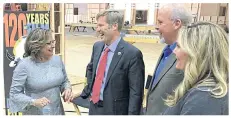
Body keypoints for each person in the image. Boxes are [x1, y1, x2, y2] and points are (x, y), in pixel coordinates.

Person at [75, 10, 145, 115]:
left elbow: (136, 93)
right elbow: (91, 70)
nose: (97, 29)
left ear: (114, 26)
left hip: (116, 111)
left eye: (100, 25)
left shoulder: (132, 54)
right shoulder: (97, 47)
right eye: (97, 26)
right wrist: (86, 92)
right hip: (94, 108)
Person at [162, 22, 229, 115]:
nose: (174, 51)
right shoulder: (204, 90)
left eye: (179, 46)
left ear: (196, 53)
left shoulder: (204, 97)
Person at [9, 28, 74, 115]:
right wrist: (34, 101)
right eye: (48, 43)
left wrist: (67, 89)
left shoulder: (57, 60)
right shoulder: (24, 66)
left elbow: (65, 81)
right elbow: (15, 94)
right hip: (35, 113)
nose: (53, 45)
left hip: (57, 112)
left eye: (53, 41)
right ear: (37, 45)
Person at [145, 4, 192, 115]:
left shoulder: (188, 56)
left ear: (177, 24)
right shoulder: (167, 49)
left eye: (160, 22)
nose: (157, 27)